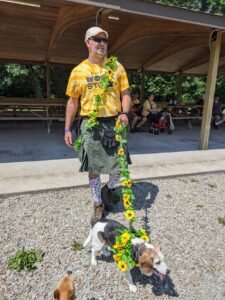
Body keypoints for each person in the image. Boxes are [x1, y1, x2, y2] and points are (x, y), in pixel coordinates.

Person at [64, 26, 131, 221]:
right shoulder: (78, 71)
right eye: (97, 39)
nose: (101, 43)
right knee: (93, 168)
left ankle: (108, 189)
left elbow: (125, 93)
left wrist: (125, 113)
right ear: (88, 42)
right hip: (90, 125)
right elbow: (72, 101)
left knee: (119, 164)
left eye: (104, 40)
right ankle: (97, 203)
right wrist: (67, 128)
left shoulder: (116, 67)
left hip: (115, 122)